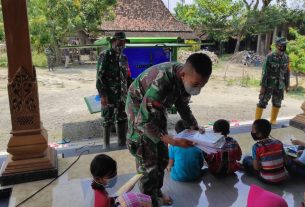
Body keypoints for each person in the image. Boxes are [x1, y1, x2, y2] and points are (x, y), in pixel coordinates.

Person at [126, 53, 212, 206]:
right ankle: (148, 201)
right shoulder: (161, 82)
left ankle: (157, 192)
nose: (199, 88)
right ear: (183, 75)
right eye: (197, 84)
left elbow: (182, 105)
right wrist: (173, 141)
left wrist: (193, 126)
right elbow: (144, 121)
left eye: (203, 85)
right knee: (148, 162)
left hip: (156, 108)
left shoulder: (186, 79)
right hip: (139, 109)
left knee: (163, 156)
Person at [96, 32, 130, 149]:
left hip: (122, 95)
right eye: (119, 43)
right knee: (107, 120)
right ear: (113, 42)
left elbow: (127, 77)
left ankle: (122, 143)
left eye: (123, 44)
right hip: (109, 95)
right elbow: (100, 78)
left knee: (122, 119)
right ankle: (106, 146)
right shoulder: (105, 55)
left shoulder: (124, 58)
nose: (121, 46)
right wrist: (103, 96)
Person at [255, 37, 290, 125]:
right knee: (262, 102)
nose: (282, 47)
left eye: (284, 46)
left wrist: (287, 85)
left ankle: (273, 120)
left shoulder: (286, 58)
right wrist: (263, 86)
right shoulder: (270, 56)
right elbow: (265, 72)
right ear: (276, 46)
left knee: (277, 102)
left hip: (280, 85)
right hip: (268, 84)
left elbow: (287, 72)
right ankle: (257, 121)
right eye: (281, 46)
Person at [243, 119, 288, 184]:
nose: (251, 132)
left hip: (267, 180)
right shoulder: (279, 143)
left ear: (259, 134)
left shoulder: (256, 147)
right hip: (282, 177)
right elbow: (285, 160)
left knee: (246, 159)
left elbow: (256, 168)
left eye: (253, 130)